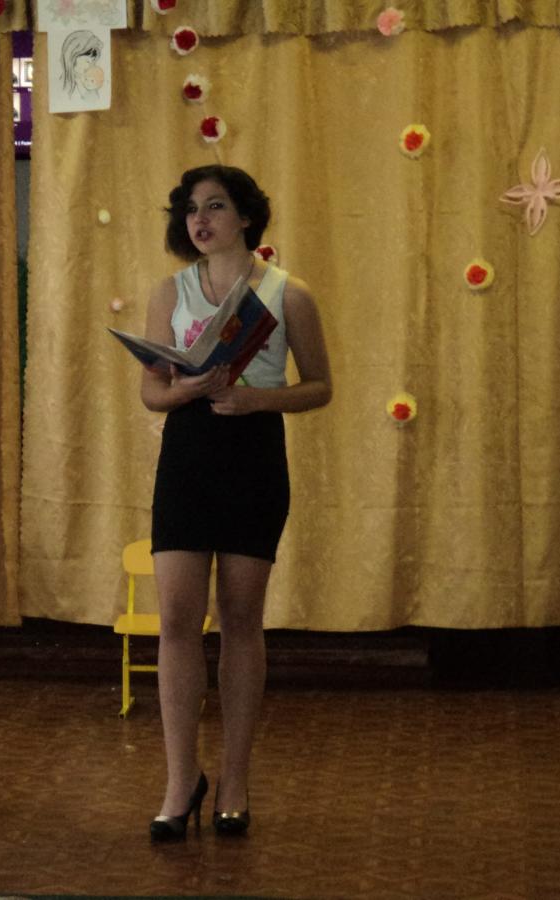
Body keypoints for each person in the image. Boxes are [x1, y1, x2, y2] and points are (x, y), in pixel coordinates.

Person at [140, 165, 332, 841]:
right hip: (187, 453)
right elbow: (152, 392)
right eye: (191, 208)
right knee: (176, 619)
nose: (200, 219)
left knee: (241, 618)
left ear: (246, 216)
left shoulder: (287, 293)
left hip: (253, 451)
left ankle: (235, 780)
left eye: (215, 206)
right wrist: (186, 390)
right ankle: (179, 780)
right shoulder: (170, 291)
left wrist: (256, 399)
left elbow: (320, 386)